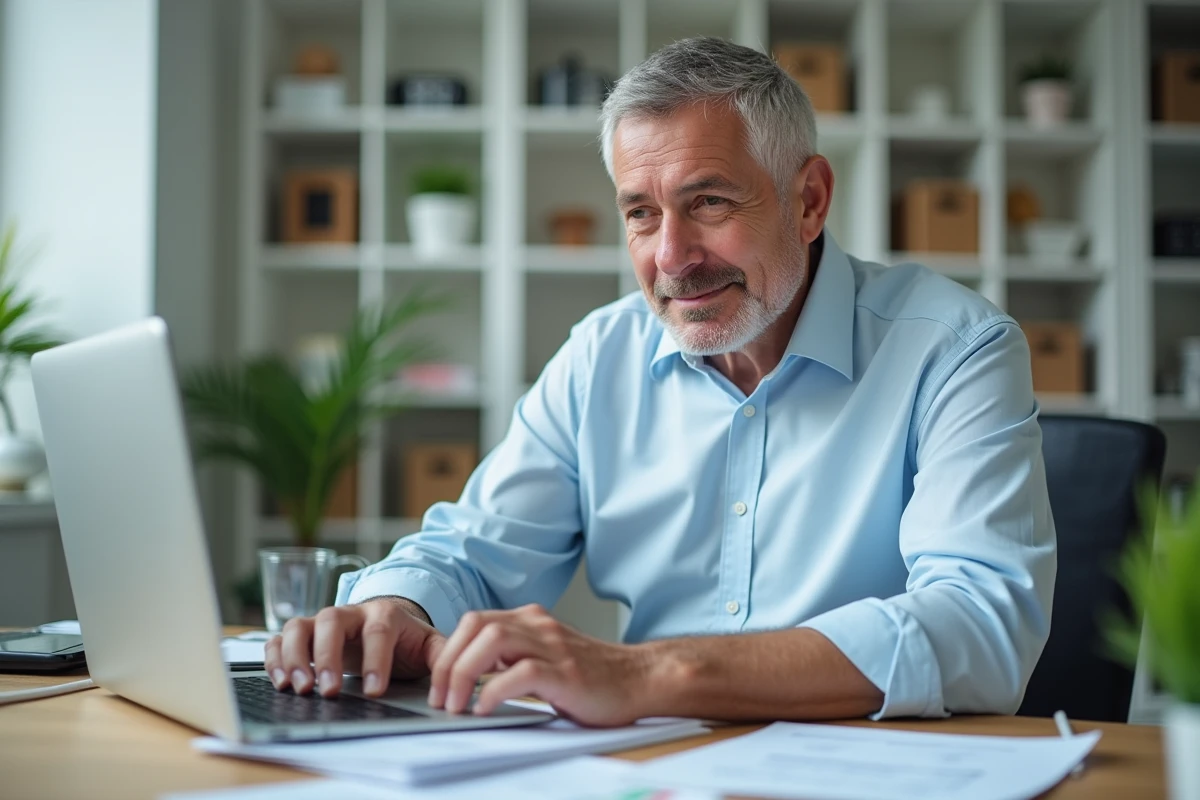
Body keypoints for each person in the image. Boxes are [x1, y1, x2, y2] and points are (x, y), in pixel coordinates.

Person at [266, 37, 1056, 727]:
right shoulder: (600, 355)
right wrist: (392, 610)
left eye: (708, 202)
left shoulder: (955, 348)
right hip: (652, 766)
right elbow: (472, 554)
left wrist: (651, 673)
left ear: (808, 199)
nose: (672, 257)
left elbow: (980, 626)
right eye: (641, 214)